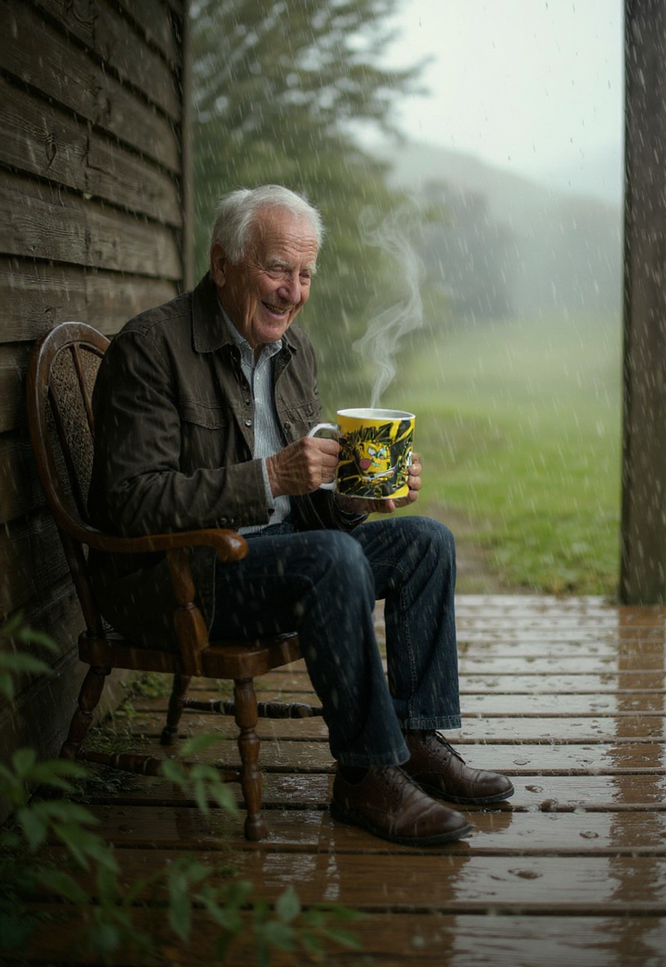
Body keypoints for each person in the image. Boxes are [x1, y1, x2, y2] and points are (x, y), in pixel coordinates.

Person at [88, 184, 513, 846]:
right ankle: (366, 775)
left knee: (426, 541)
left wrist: (351, 498)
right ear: (222, 262)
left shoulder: (297, 352)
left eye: (305, 273)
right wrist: (268, 477)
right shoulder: (151, 348)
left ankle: (415, 737)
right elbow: (132, 504)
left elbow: (309, 504)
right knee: (333, 558)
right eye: (276, 269)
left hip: (285, 556)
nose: (292, 291)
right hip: (188, 577)